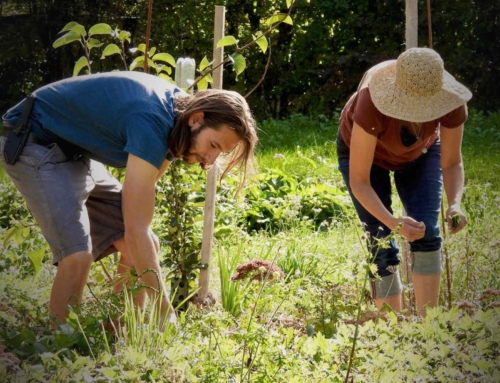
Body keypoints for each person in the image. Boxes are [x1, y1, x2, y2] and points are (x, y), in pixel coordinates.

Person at [0, 71, 258, 327]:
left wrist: (130, 237)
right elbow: (136, 229)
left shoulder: (179, 119)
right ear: (197, 120)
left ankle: (119, 326)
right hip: (33, 140)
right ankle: (62, 349)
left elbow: (137, 206)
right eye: (213, 145)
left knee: (145, 249)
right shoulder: (152, 121)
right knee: (77, 256)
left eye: (220, 152)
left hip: (72, 151)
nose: (210, 160)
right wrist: (164, 311)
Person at [336, 48, 472, 316]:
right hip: (367, 158)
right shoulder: (371, 102)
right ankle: (392, 333)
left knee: (428, 231)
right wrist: (392, 222)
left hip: (420, 154)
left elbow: (452, 162)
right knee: (381, 240)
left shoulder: (452, 102)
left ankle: (428, 330)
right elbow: (360, 181)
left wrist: (455, 204)